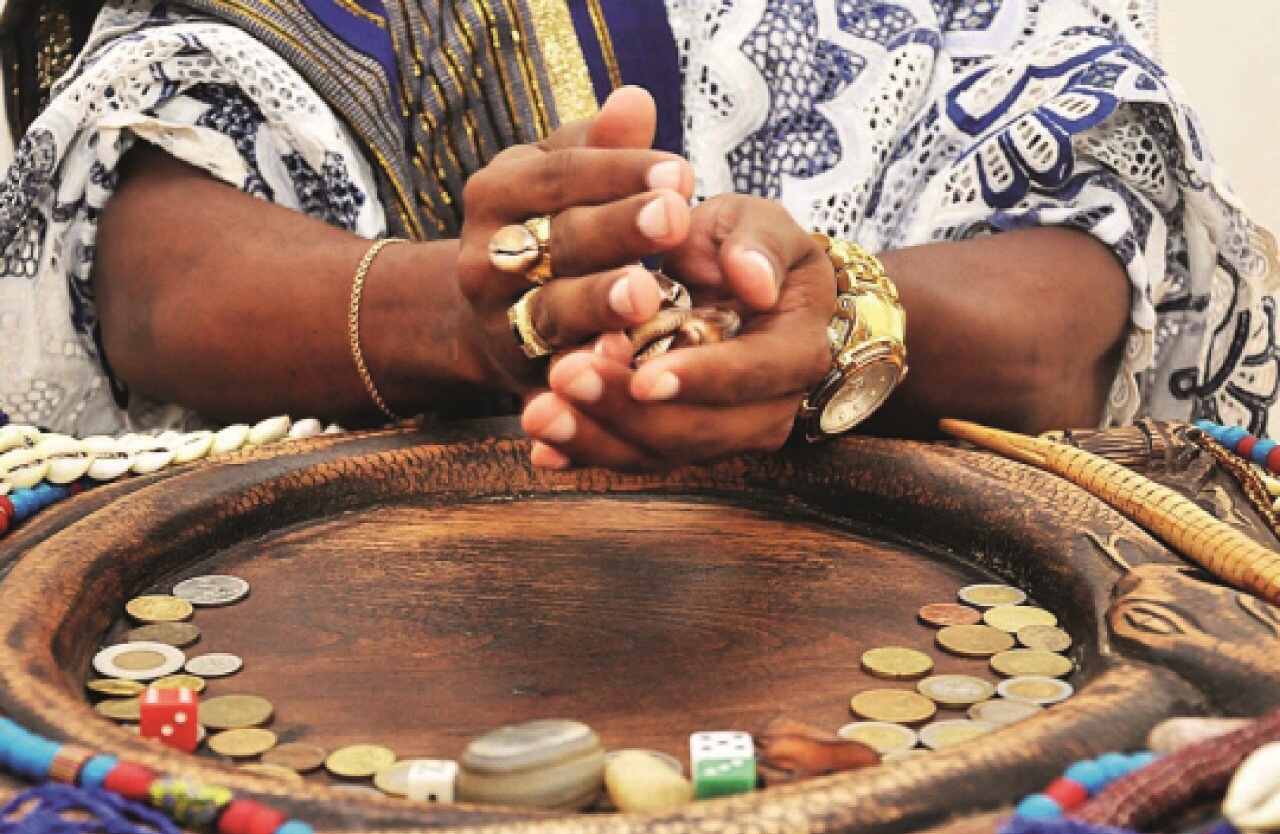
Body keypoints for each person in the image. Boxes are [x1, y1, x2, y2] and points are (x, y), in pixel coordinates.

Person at [0, 0, 1274, 472]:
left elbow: (1089, 273)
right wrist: (461, 317)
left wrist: (838, 316)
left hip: (943, 634)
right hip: (354, 651)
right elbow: (137, 259)